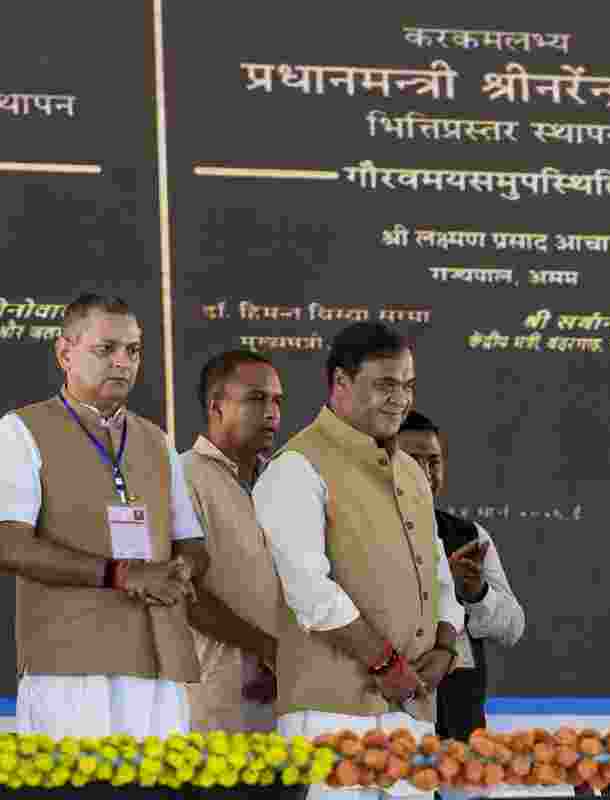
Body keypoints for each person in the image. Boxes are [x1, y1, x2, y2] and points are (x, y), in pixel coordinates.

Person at [255, 322, 465, 800]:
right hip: (330, 716)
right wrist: (388, 663)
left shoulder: (410, 470)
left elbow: (438, 572)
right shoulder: (296, 467)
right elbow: (309, 590)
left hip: (411, 713)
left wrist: (446, 647)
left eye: (407, 385)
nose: (400, 399)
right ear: (340, 384)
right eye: (385, 385)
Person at [0, 293, 205, 737]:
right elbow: (10, 544)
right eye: (105, 349)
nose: (122, 362)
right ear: (64, 353)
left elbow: (191, 543)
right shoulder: (20, 430)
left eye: (133, 351)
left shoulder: (156, 440)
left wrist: (181, 569)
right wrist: (122, 574)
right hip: (72, 669)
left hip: (159, 663)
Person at [397, 410, 526, 742]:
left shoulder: (471, 536)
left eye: (434, 461)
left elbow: (513, 627)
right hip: (391, 721)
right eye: (412, 460)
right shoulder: (364, 535)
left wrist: (476, 594)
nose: (426, 473)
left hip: (461, 724)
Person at [180, 350, 285, 732]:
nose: (272, 412)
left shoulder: (286, 482)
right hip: (214, 710)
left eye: (277, 401)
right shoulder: (180, 478)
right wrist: (267, 649)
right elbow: (182, 593)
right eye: (256, 399)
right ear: (216, 407)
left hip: (292, 708)